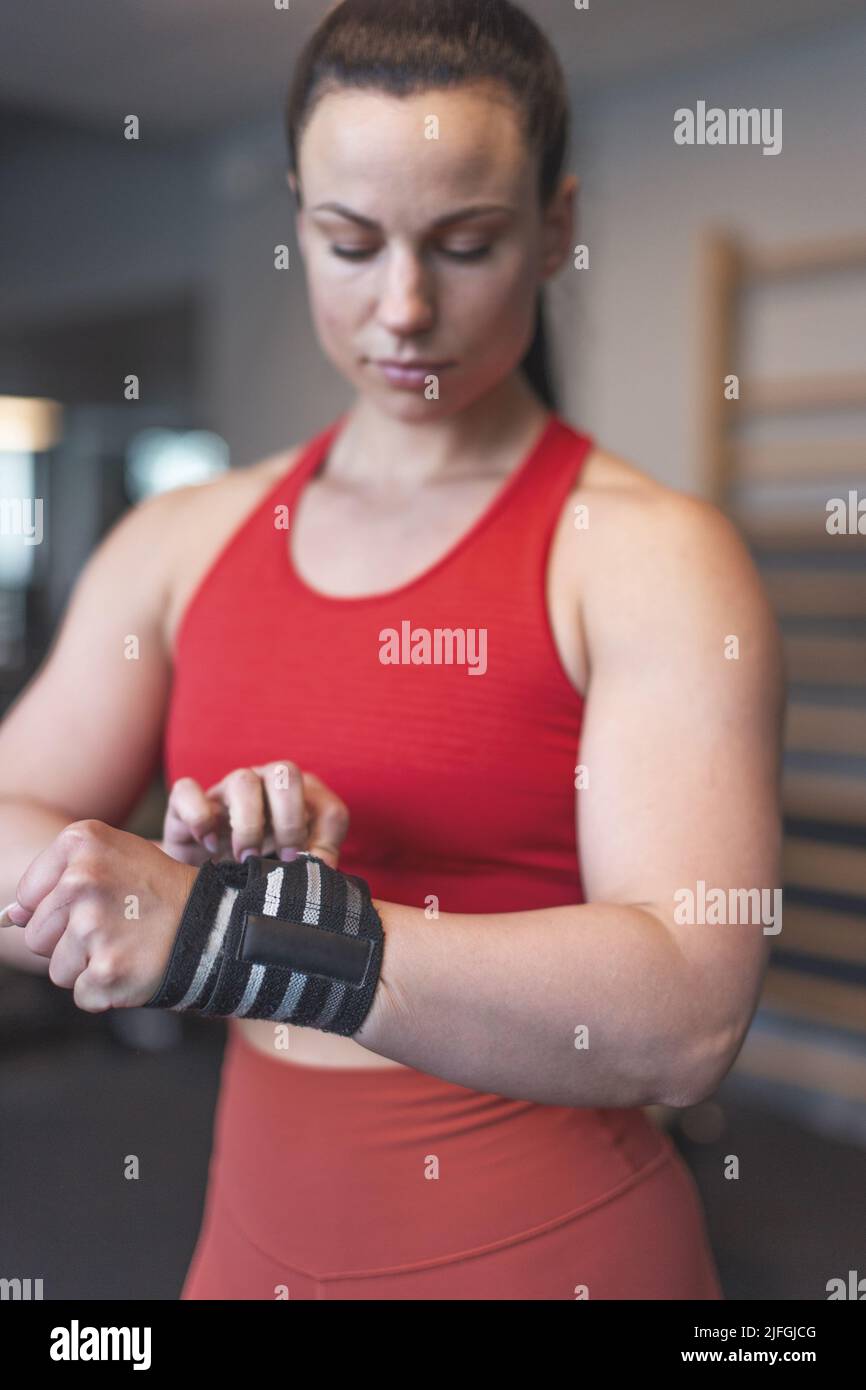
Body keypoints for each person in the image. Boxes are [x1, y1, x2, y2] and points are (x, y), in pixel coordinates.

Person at [0, 0, 784, 1299]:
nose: (404, 307)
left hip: (554, 1251)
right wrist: (187, 891)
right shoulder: (185, 538)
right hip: (252, 1240)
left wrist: (241, 933)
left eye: (464, 243)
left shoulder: (644, 553)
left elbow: (686, 1015)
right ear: (298, 221)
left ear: (556, 230)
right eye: (349, 243)